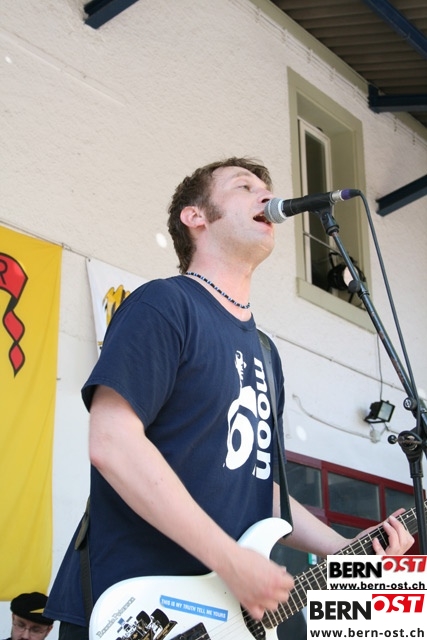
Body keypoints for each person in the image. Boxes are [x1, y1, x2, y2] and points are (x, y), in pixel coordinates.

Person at [45, 157, 414, 640]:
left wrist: (343, 549)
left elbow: (261, 489)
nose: (267, 196)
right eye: (244, 186)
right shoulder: (165, 304)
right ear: (195, 216)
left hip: (215, 621)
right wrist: (230, 559)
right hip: (131, 614)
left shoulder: (266, 354)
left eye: (267, 187)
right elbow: (112, 443)